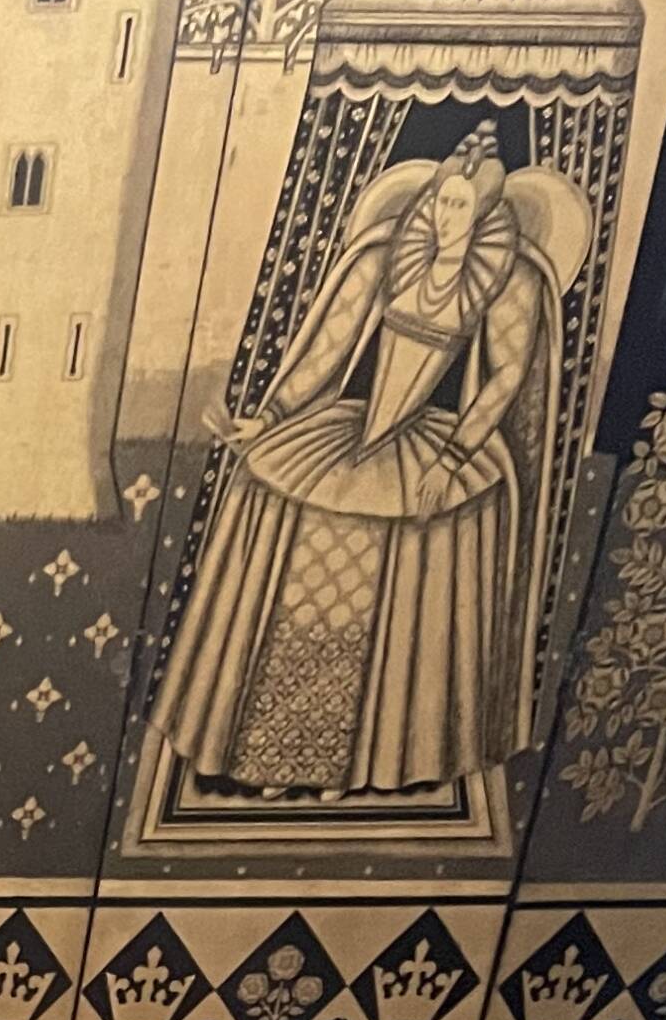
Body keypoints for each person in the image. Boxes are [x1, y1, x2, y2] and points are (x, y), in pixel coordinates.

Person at [150, 129, 581, 799]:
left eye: (460, 207)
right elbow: (330, 346)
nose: (444, 216)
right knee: (303, 581)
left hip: (439, 445)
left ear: (488, 214)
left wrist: (456, 455)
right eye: (440, 201)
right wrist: (271, 415)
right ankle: (276, 757)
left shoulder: (510, 279)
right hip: (350, 437)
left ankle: (356, 767)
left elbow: (504, 378)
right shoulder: (389, 256)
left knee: (385, 599)